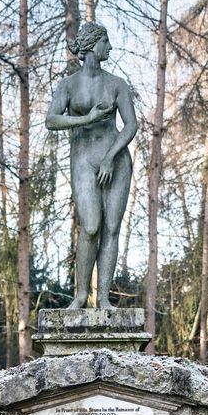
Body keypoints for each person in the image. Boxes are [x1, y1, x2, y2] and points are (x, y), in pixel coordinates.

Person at [45, 21, 138, 309]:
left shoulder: (117, 84)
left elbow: (131, 125)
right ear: (92, 45)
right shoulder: (68, 85)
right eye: (105, 42)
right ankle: (81, 295)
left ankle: (104, 298)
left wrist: (110, 157)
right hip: (84, 160)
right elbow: (51, 120)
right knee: (90, 226)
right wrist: (87, 118)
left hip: (116, 160)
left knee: (111, 228)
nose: (109, 47)